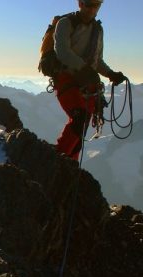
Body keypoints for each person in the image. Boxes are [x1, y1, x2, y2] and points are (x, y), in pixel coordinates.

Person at [53, 0, 127, 161]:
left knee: (82, 124)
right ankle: (56, 159)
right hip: (67, 79)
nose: (92, 9)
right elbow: (62, 52)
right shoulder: (65, 23)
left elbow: (97, 60)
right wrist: (85, 69)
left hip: (87, 83)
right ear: (80, 3)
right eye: (88, 4)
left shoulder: (98, 29)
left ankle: (69, 163)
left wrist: (111, 74)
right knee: (79, 118)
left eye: (96, 5)